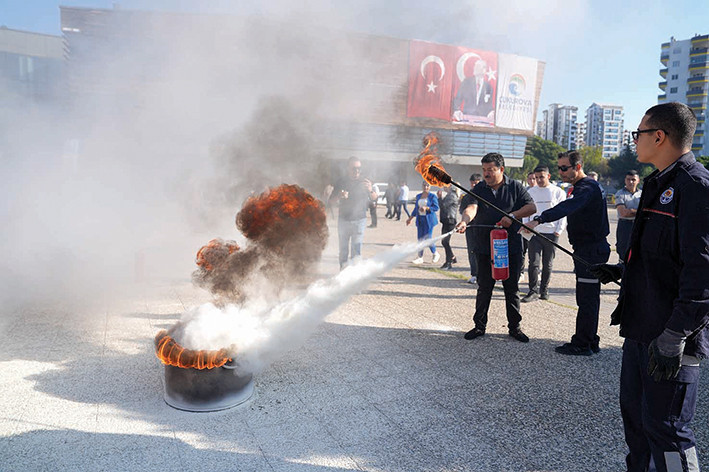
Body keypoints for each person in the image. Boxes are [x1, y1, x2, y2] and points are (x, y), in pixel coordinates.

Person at [591, 102, 709, 472]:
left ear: (659, 136)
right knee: (639, 427)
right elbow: (665, 256)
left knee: (669, 432)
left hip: (672, 337)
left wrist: (675, 335)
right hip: (642, 328)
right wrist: (623, 270)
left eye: (638, 134)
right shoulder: (659, 182)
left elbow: (703, 273)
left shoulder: (696, 187)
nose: (635, 141)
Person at [526, 150, 610, 356]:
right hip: (587, 249)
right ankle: (591, 339)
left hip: (591, 250)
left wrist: (540, 218)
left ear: (577, 167)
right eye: (559, 168)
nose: (561, 172)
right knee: (589, 298)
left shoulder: (587, 187)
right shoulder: (584, 187)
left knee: (587, 299)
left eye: (565, 168)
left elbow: (568, 206)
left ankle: (582, 343)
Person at [455, 153, 536, 343]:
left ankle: (515, 328)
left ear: (501, 169)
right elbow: (471, 208)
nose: (486, 174)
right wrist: (464, 221)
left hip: (511, 247)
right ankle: (479, 326)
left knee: (512, 289)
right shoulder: (479, 189)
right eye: (484, 170)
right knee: (484, 288)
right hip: (484, 247)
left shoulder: (515, 186)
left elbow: (531, 207)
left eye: (490, 170)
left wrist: (513, 216)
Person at [521, 166, 567, 302]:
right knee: (533, 263)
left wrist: (559, 230)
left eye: (542, 177)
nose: (539, 180)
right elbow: (526, 210)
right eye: (536, 177)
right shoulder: (530, 191)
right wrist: (526, 225)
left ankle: (544, 290)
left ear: (548, 176)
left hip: (551, 233)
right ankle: (532, 290)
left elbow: (563, 212)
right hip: (534, 233)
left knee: (548, 263)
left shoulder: (558, 192)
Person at [330, 156, 378, 270]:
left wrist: (370, 189)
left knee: (356, 250)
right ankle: (342, 273)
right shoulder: (341, 181)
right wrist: (339, 196)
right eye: (354, 168)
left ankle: (354, 278)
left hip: (359, 220)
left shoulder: (365, 181)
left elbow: (374, 198)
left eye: (359, 168)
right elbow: (331, 201)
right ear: (348, 168)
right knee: (343, 251)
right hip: (343, 220)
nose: (357, 170)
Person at [407, 182, 440, 264]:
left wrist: (427, 208)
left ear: (430, 187)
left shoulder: (432, 196)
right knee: (420, 239)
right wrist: (410, 218)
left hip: (429, 220)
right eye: (424, 185)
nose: (426, 187)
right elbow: (416, 208)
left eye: (427, 185)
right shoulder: (418, 196)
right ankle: (420, 257)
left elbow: (436, 207)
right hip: (420, 219)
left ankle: (435, 253)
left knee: (428, 238)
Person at [614, 170, 641, 262]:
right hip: (625, 226)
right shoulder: (620, 193)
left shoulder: (643, 194)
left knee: (639, 251)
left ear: (638, 181)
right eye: (628, 179)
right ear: (625, 180)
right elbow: (623, 213)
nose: (630, 182)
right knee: (623, 251)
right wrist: (639, 211)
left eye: (633, 179)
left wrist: (631, 211)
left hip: (639, 225)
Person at [459, 173, 481, 284]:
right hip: (471, 227)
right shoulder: (467, 196)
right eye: (472, 182)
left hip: (482, 228)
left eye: (476, 182)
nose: (474, 184)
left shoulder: (484, 195)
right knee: (472, 251)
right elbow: (462, 210)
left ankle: (485, 274)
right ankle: (474, 274)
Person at [437, 185, 459, 269]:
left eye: (446, 186)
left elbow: (443, 206)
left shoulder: (452, 196)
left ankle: (448, 262)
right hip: (446, 221)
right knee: (444, 242)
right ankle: (452, 257)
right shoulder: (449, 195)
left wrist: (439, 197)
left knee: (445, 242)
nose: (443, 187)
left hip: (450, 221)